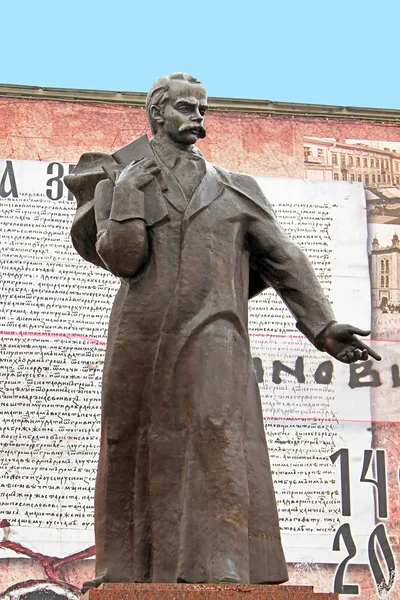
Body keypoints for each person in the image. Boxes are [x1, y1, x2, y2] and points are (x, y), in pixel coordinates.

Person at [65, 73, 380, 590]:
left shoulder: (236, 188)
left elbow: (283, 257)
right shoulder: (119, 178)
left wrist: (321, 326)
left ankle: (221, 569)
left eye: (203, 109)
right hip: (139, 334)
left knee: (216, 430)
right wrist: (124, 197)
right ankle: (123, 569)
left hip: (215, 325)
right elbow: (124, 259)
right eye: (186, 108)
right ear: (157, 114)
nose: (198, 119)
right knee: (127, 438)